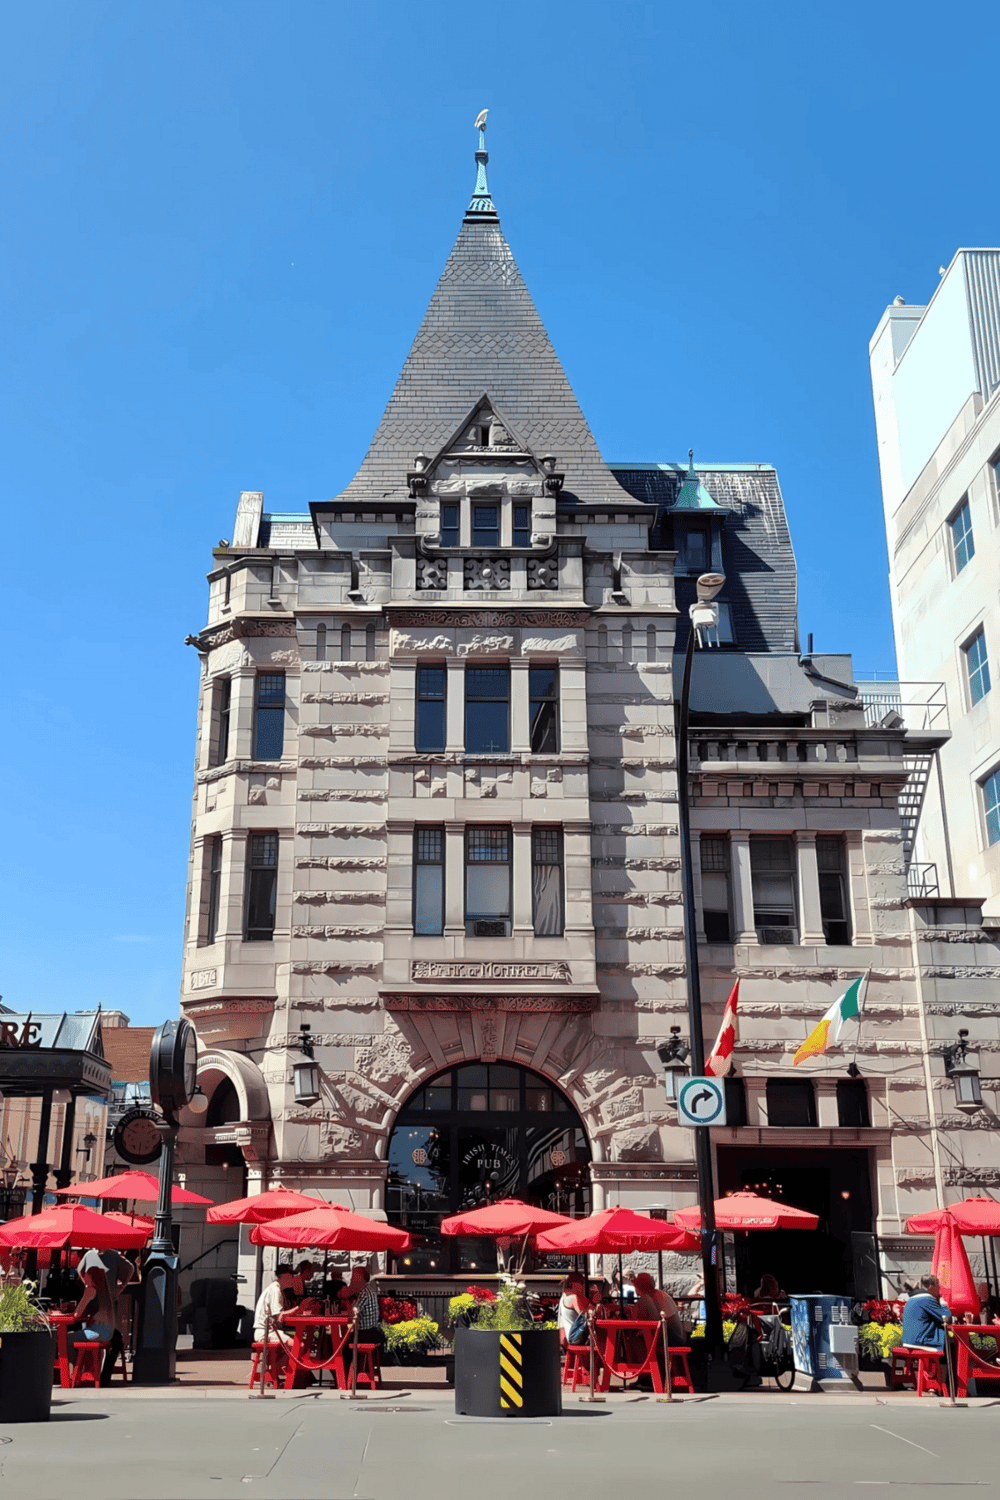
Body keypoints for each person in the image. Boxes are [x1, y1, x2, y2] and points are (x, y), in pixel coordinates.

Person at [900, 1274, 952, 1352]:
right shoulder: (927, 1298)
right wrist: (943, 1304)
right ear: (931, 1286)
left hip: (909, 1341)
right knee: (952, 1342)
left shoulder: (912, 1299)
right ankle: (949, 1364)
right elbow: (947, 1318)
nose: (939, 1289)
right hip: (922, 1341)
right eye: (938, 1286)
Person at [632, 1272, 685, 1345]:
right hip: (668, 1334)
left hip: (671, 1336)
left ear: (639, 1287)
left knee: (636, 1340)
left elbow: (668, 1320)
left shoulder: (656, 1297)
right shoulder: (653, 1295)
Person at [253, 1266, 297, 1352]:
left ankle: (282, 1365)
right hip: (266, 1333)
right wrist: (297, 1309)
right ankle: (285, 1365)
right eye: (291, 1276)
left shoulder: (276, 1288)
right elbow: (279, 1316)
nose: (293, 1279)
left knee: (297, 1343)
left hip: (269, 1331)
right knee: (298, 1345)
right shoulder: (275, 1290)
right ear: (285, 1276)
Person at [344, 1266, 383, 1361]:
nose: (351, 1280)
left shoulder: (364, 1292)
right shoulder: (367, 1290)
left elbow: (353, 1312)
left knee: (343, 1348)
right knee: (344, 1343)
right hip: (372, 1332)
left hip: (367, 1333)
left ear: (360, 1278)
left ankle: (350, 1373)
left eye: (354, 1277)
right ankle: (356, 1370)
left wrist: (346, 1298)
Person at [557, 1273, 590, 1346]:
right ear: (575, 1284)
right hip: (576, 1337)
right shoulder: (573, 1298)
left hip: (568, 1336)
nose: (583, 1287)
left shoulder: (563, 1296)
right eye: (582, 1283)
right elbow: (586, 1316)